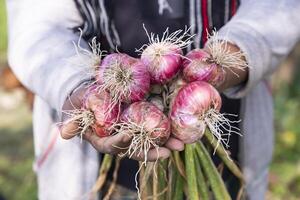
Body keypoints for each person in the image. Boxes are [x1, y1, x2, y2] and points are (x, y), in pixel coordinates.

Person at [6, 0, 300, 199]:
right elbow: (37, 28)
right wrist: (77, 85)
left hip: (234, 142)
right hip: (86, 169)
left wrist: (235, 53)